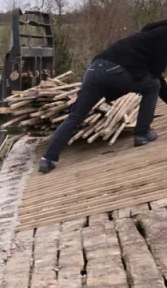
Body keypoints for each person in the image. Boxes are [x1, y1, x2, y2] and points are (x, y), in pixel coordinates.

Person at [39, 19, 167, 173]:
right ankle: (142, 133)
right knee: (153, 85)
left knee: (75, 116)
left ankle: (48, 159)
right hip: (116, 71)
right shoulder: (162, 38)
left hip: (94, 69)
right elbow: (156, 76)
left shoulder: (146, 37)